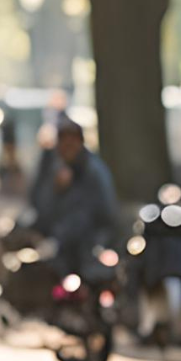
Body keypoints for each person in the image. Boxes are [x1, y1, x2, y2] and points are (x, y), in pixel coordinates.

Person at [27, 116, 119, 271]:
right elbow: (38, 204)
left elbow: (96, 214)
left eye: (72, 141)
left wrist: (58, 240)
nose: (67, 147)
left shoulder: (94, 171)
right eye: (63, 141)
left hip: (88, 248)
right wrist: (55, 190)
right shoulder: (52, 168)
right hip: (57, 247)